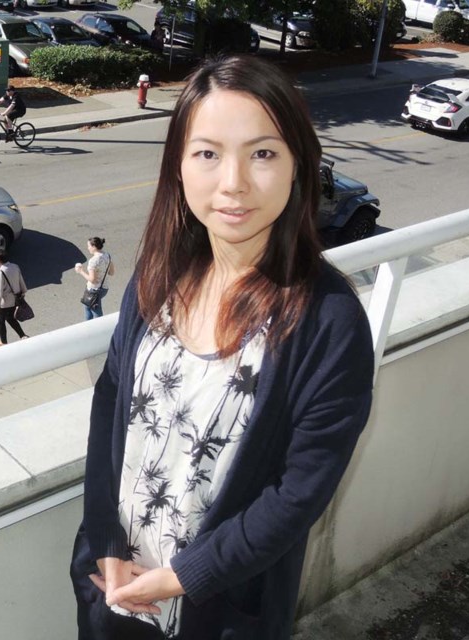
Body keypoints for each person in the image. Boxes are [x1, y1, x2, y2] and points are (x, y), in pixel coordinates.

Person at [70, 55, 375, 640]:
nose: (232, 182)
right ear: (179, 167)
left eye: (262, 153)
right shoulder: (159, 275)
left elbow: (298, 492)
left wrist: (184, 576)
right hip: (113, 584)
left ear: (298, 167)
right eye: (207, 153)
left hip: (219, 608)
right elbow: (111, 397)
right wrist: (102, 537)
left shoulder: (329, 321)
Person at [0, 249, 28, 346]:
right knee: (10, 318)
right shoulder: (15, 266)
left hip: (5, 302)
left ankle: (3, 342)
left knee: (0, 321)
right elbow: (21, 280)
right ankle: (23, 335)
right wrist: (23, 292)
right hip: (15, 298)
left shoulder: (1, 273)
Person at [75, 237, 115, 321]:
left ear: (94, 247)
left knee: (97, 313)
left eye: (89, 246)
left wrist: (80, 271)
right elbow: (111, 272)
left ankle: (97, 328)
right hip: (104, 288)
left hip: (94, 290)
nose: (88, 248)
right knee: (87, 306)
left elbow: (92, 279)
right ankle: (88, 325)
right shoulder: (107, 255)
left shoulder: (93, 261)